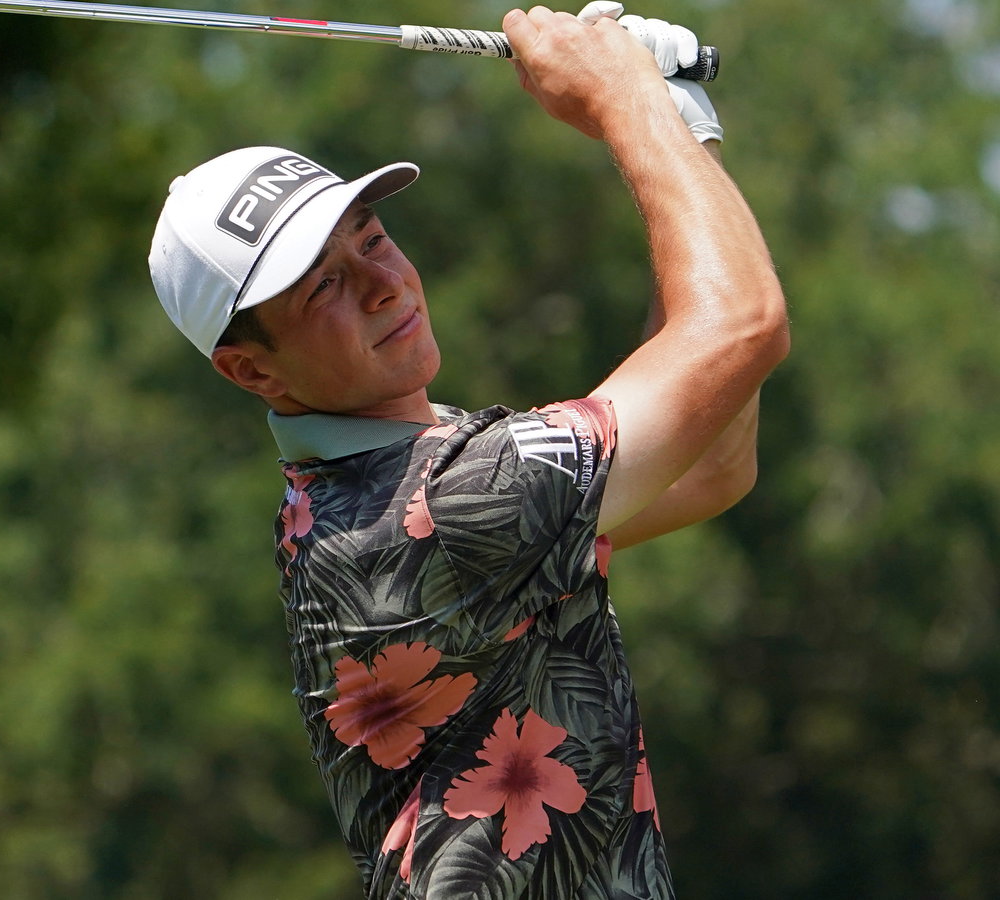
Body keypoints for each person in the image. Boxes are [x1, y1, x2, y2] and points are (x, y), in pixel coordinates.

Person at [148, 3, 787, 896]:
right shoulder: (452, 505)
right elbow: (744, 325)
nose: (382, 284)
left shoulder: (388, 483)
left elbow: (713, 458)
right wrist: (626, 102)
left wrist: (681, 121)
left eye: (370, 238)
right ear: (252, 371)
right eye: (324, 285)